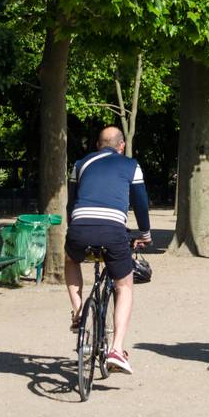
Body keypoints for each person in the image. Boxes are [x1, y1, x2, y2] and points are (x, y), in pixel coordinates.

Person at [65, 125, 152, 375]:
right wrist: (144, 233)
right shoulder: (131, 165)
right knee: (124, 285)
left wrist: (77, 229)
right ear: (121, 145)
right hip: (113, 231)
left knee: (71, 260)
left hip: (80, 226)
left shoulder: (80, 164)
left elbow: (71, 202)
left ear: (98, 145)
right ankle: (116, 350)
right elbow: (141, 203)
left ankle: (79, 310)